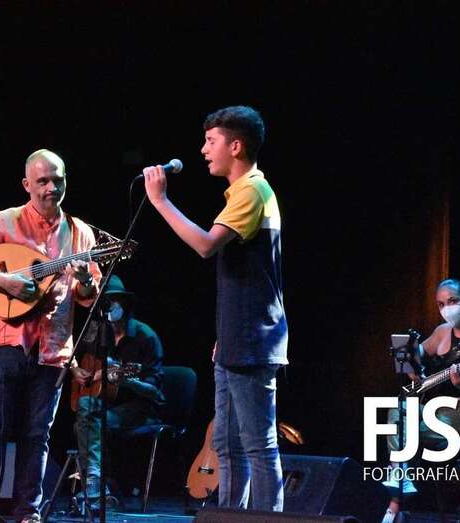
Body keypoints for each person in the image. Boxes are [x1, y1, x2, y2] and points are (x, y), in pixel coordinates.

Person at [142, 105, 288, 511]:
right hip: (236, 338)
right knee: (226, 444)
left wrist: (160, 202)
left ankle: (265, 521)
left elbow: (206, 245)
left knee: (258, 445)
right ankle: (229, 517)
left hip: (254, 338)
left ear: (236, 146)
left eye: (211, 141)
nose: (204, 149)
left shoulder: (252, 189)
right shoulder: (242, 192)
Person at [0, 149, 101, 523]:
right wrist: (3, 281)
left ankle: (27, 515)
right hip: (3, 343)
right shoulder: (6, 221)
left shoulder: (80, 232)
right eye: (43, 181)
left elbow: (88, 297)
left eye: (58, 180)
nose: (51, 188)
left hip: (51, 350)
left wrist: (84, 279)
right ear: (26, 184)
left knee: (37, 436)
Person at [382, 278, 460, 523]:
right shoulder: (442, 332)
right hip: (440, 410)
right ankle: (397, 493)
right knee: (398, 412)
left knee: (409, 425)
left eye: (453, 301)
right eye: (441, 304)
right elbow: (417, 356)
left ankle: (395, 505)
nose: (447, 308)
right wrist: (410, 359)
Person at [72, 275, 166, 507]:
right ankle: (98, 484)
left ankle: (94, 484)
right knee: (86, 410)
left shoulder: (145, 337)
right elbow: (73, 354)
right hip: (107, 404)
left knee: (86, 418)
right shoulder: (96, 333)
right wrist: (77, 370)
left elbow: (156, 393)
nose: (111, 307)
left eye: (115, 301)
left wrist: (127, 382)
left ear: (125, 304)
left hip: (139, 408)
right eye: (105, 302)